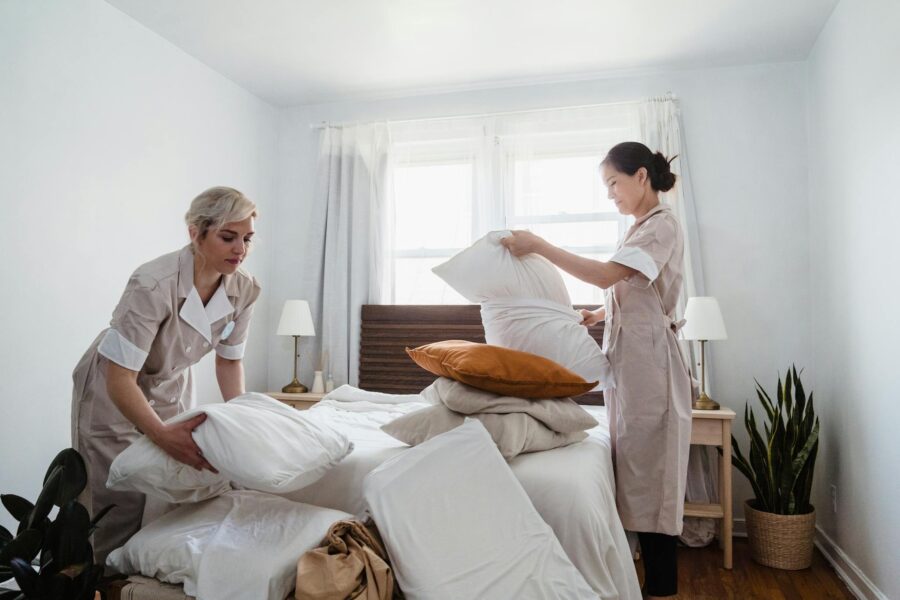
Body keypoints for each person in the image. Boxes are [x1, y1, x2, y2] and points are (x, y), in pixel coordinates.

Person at [501, 142, 692, 599]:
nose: (610, 195)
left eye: (613, 183)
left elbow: (609, 275)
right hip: (632, 364)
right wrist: (598, 316)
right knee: (638, 470)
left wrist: (541, 247)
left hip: (651, 367)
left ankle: (663, 589)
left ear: (641, 176)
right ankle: (646, 582)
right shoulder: (639, 228)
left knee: (653, 474)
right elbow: (633, 290)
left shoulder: (661, 225)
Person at [71, 186, 261, 564]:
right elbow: (120, 376)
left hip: (170, 381)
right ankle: (104, 582)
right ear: (195, 233)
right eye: (228, 237)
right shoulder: (152, 283)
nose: (240, 249)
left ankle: (145, 576)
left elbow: (228, 361)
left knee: (166, 492)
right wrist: (160, 433)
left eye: (247, 238)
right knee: (115, 502)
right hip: (112, 388)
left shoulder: (245, 288)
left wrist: (241, 417)